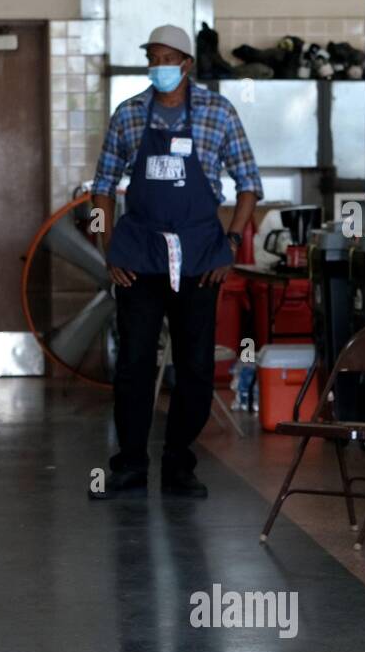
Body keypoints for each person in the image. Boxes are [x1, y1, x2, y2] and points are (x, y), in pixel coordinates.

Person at [89, 24, 262, 501]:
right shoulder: (128, 115)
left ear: (186, 63)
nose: (158, 67)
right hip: (139, 257)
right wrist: (108, 250)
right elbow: (102, 188)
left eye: (167, 58)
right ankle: (128, 465)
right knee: (134, 365)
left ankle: (179, 463)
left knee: (197, 368)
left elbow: (249, 183)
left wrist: (229, 242)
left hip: (201, 258)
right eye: (152, 58)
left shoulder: (217, 113)